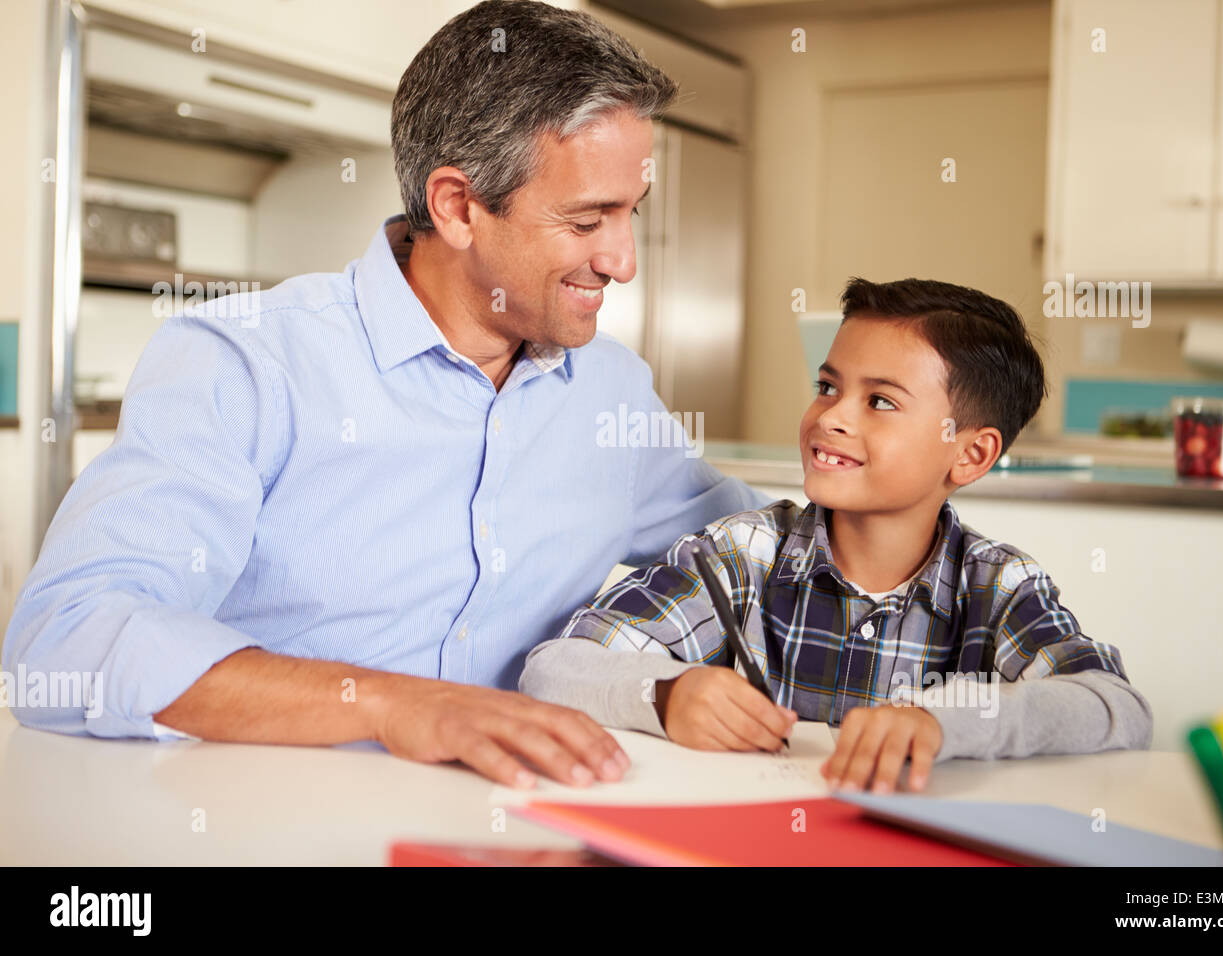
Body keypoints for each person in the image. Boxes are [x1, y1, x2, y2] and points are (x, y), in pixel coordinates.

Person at [1, 0, 767, 790]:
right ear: (457, 206)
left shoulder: (611, 391)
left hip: (523, 829)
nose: (623, 261)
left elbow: (772, 557)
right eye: (587, 220)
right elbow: (63, 640)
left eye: (630, 214)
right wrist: (391, 704)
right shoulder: (247, 364)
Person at [520, 277, 1153, 793]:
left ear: (969, 455)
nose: (832, 417)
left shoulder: (997, 584)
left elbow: (1116, 708)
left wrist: (952, 722)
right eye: (828, 387)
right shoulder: (744, 554)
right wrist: (662, 693)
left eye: (880, 402)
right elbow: (553, 670)